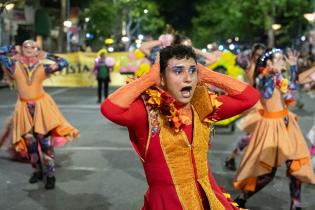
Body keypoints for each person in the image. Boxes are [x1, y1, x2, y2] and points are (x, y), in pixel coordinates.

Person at [101, 44, 259, 209]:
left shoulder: (203, 108)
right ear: (161, 78)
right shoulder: (148, 113)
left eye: (192, 70)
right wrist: (148, 78)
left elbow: (250, 97)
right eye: (178, 71)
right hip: (167, 204)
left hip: (209, 200)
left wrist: (208, 75)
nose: (188, 78)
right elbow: (110, 109)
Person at [233, 48, 315, 210]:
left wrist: (292, 67)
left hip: (287, 124)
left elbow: (293, 87)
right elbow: (268, 94)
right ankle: (242, 198)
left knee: (294, 168)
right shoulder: (262, 79)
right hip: (271, 126)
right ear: (269, 63)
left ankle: (295, 204)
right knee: (267, 173)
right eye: (279, 59)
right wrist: (271, 74)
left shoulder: (280, 78)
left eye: (282, 59)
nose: (282, 61)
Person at [0, 40, 80, 189]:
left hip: (41, 109)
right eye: (26, 46)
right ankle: (37, 171)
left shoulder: (44, 68)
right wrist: (14, 48)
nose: (29, 49)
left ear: (38, 51)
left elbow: (64, 62)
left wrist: (46, 55)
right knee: (30, 146)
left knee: (45, 145)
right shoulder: (13, 66)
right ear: (21, 50)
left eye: (33, 47)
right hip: (24, 109)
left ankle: (50, 176)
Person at [225, 43, 266, 171]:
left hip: (263, 104)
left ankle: (233, 157)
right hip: (252, 104)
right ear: (253, 54)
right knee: (252, 135)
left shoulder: (263, 67)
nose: (259, 57)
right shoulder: (250, 66)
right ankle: (237, 159)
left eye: (261, 55)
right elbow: (252, 83)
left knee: (257, 135)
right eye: (257, 54)